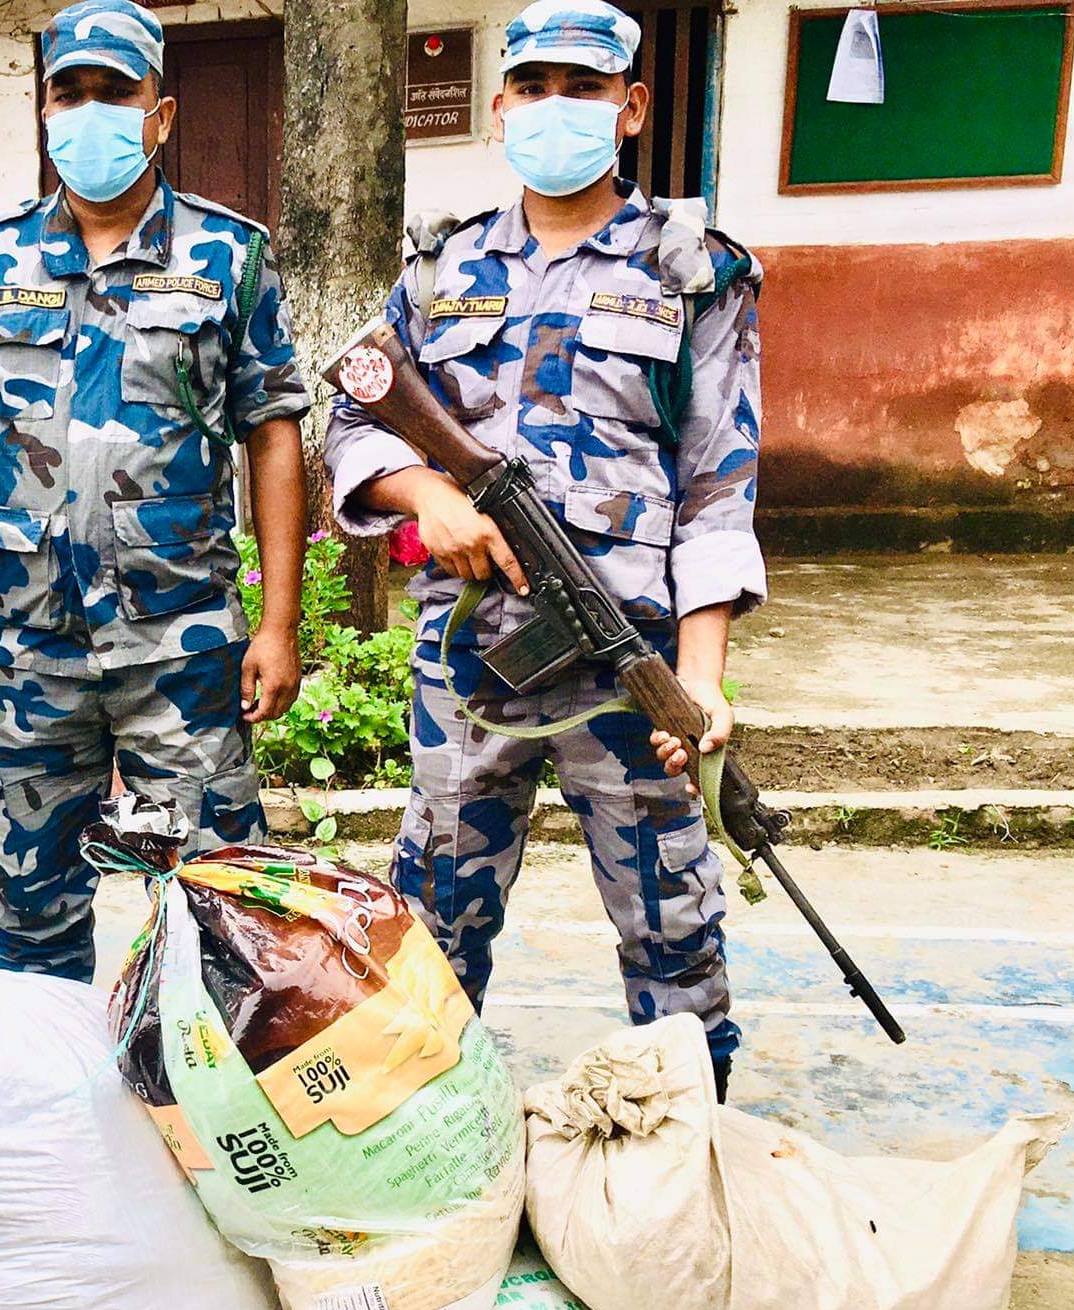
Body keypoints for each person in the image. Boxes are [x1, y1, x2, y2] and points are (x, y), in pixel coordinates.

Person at [323, 0, 765, 1098]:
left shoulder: (693, 272)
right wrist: (428, 494)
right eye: (532, 86)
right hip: (469, 660)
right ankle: (421, 1142)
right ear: (498, 107)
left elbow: (719, 485)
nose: (552, 106)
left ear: (631, 107)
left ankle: (684, 1142)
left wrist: (699, 679)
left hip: (626, 654)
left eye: (582, 86)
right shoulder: (441, 268)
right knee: (433, 924)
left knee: (671, 924)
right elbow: (355, 412)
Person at [0, 0, 310, 980]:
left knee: (220, 914)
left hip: (181, 645)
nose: (90, 112)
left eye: (114, 93)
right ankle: (55, 1076)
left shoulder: (230, 257)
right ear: (45, 110)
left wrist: (278, 624)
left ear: (159, 115)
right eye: (71, 93)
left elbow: (272, 434)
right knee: (31, 913)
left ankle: (201, 1084)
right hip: (31, 648)